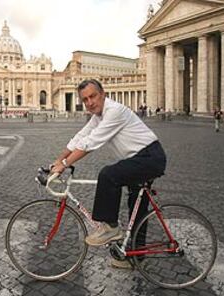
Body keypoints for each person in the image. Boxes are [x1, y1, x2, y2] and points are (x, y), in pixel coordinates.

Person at [51, 79, 167, 269]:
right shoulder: (99, 116)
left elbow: (91, 143)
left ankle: (110, 227)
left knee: (108, 175)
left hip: (150, 157)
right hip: (138, 159)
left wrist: (64, 164)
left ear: (103, 94)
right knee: (136, 207)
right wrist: (57, 160)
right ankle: (135, 255)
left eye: (93, 96)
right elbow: (80, 138)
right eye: (85, 99)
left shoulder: (114, 111)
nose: (89, 102)